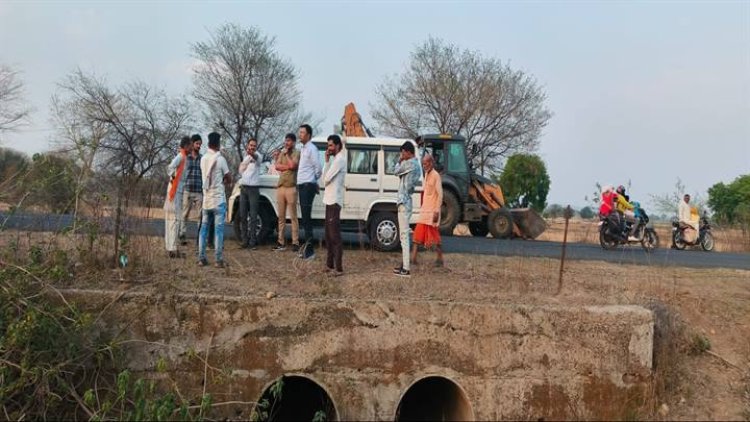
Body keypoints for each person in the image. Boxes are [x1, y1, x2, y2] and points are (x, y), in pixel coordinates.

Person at [198, 132, 231, 267]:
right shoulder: (220, 159)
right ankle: (218, 260)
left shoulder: (203, 158)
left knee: (203, 229)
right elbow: (229, 177)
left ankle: (201, 258)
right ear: (218, 144)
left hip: (206, 199)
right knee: (218, 230)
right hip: (218, 200)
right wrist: (223, 180)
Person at [393, 141, 421, 277]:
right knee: (404, 235)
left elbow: (395, 171)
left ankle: (406, 268)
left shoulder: (409, 163)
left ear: (408, 152)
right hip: (407, 200)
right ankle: (404, 265)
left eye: (403, 152)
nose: (402, 155)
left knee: (404, 236)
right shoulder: (416, 165)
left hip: (404, 201)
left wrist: (399, 161)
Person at [411, 154, 444, 268]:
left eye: (426, 163)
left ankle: (440, 259)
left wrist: (436, 211)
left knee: (435, 238)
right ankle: (413, 260)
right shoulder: (426, 174)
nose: (424, 166)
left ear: (431, 163)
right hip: (424, 211)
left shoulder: (436, 176)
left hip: (432, 213)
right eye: (423, 164)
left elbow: (440, 195)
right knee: (417, 236)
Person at [296, 123, 322, 260]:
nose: (300, 134)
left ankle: (310, 251)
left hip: (307, 186)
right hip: (302, 185)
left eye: (302, 132)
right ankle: (307, 248)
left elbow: (318, 168)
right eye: (299, 132)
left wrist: (313, 180)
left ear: (308, 135)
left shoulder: (312, 149)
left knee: (307, 219)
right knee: (304, 219)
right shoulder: (303, 149)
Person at [272, 133, 301, 251]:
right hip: (281, 187)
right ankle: (281, 242)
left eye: (288, 141)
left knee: (293, 216)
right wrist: (287, 166)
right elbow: (277, 166)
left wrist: (287, 157)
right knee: (281, 217)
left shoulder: (296, 153)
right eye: (285, 141)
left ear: (293, 142)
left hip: (291, 188)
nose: (286, 143)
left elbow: (293, 165)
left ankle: (295, 242)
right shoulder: (282, 153)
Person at [322, 134, 346, 275]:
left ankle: (339, 268)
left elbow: (325, 179)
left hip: (334, 201)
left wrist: (327, 164)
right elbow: (324, 179)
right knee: (328, 236)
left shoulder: (339, 160)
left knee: (334, 236)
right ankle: (329, 265)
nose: (328, 148)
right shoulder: (334, 160)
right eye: (328, 145)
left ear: (337, 145)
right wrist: (326, 161)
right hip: (328, 200)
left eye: (331, 145)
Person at [164, 136, 191, 258]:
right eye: (190, 145)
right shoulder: (180, 156)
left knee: (175, 220)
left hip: (178, 190)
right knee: (173, 220)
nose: (191, 148)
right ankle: (172, 249)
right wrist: (173, 182)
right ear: (186, 146)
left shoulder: (184, 157)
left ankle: (172, 248)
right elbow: (170, 168)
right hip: (174, 191)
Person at [238, 138, 262, 249]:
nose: (252, 147)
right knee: (243, 215)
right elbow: (241, 170)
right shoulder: (246, 157)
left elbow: (257, 159)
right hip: (244, 188)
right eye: (250, 145)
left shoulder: (258, 156)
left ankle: (253, 242)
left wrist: (252, 154)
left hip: (253, 189)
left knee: (253, 216)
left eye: (254, 145)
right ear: (248, 146)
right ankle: (244, 241)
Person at [179, 134, 203, 245]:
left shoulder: (202, 158)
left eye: (200, 144)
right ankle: (182, 236)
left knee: (200, 215)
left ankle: (200, 238)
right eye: (197, 143)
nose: (199, 146)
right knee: (185, 214)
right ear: (192, 144)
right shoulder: (185, 157)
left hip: (199, 190)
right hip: (187, 189)